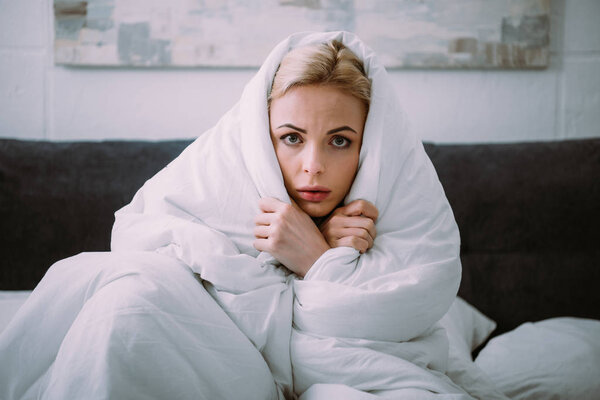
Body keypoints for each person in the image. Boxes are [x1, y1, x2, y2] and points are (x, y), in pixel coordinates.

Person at [0, 31, 480, 399]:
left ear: (371, 149)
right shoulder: (219, 182)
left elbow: (408, 302)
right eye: (291, 138)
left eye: (339, 141)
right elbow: (141, 233)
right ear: (259, 139)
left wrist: (314, 258)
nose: (312, 165)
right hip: (211, 351)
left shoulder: (397, 211)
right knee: (127, 300)